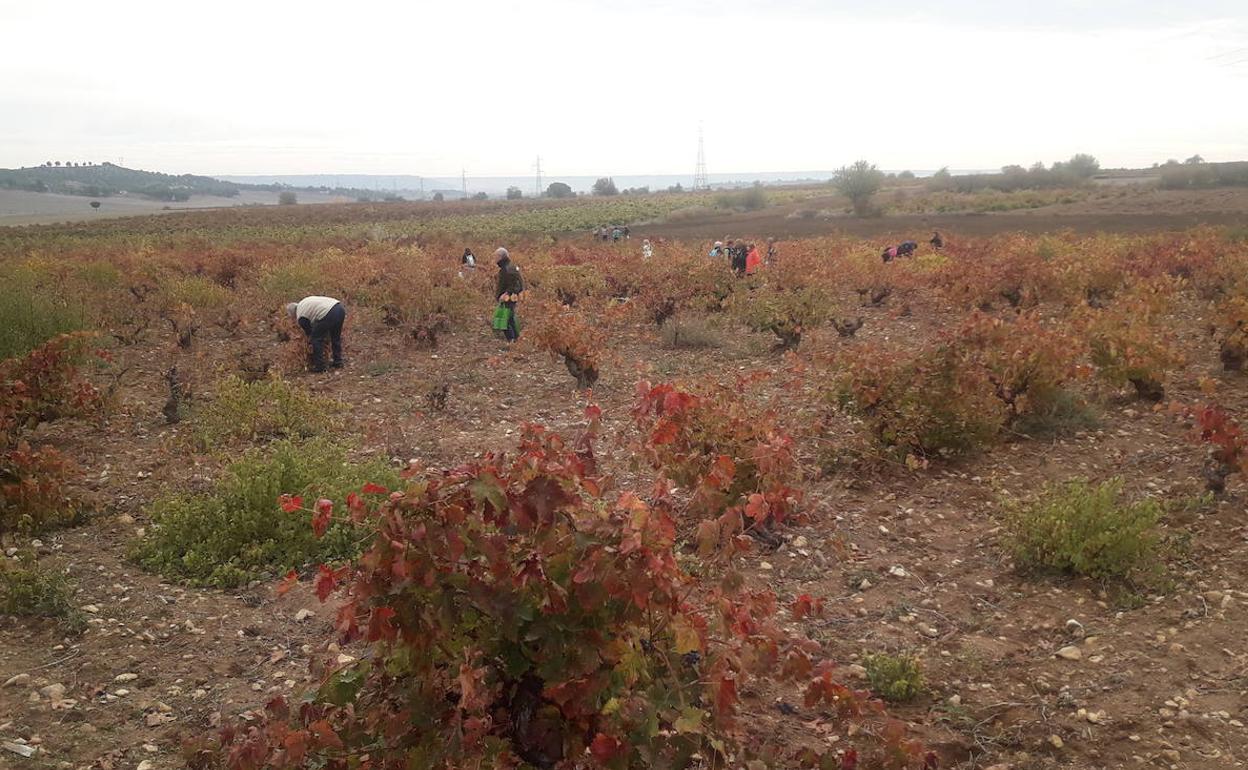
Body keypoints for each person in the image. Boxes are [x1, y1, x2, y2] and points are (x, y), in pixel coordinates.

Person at [286, 296, 346, 372]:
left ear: (293, 313)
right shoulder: (304, 303)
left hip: (328, 312)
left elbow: (309, 332)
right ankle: (338, 362)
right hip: (339, 308)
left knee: (316, 339)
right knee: (335, 337)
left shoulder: (300, 315)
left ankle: (320, 366)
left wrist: (309, 343)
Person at [495, 247, 524, 343]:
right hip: (510, 298)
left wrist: (506, 293)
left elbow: (516, 284)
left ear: (500, 257)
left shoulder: (507, 268)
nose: (495, 258)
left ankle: (512, 341)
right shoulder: (509, 266)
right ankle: (516, 341)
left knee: (504, 320)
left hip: (508, 299)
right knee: (510, 319)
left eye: (496, 256)